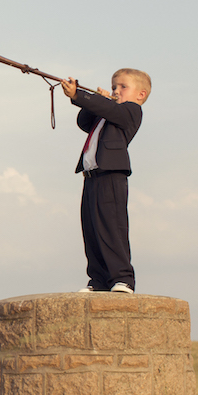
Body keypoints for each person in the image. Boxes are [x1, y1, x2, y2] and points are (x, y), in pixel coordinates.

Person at [59, 69, 150, 294]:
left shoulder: (131, 111)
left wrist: (84, 96)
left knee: (111, 227)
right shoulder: (106, 112)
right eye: (114, 87)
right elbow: (84, 121)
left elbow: (109, 109)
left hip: (111, 176)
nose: (116, 91)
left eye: (122, 87)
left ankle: (122, 278)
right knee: (91, 230)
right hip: (91, 177)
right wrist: (91, 101)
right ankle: (98, 280)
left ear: (140, 94)